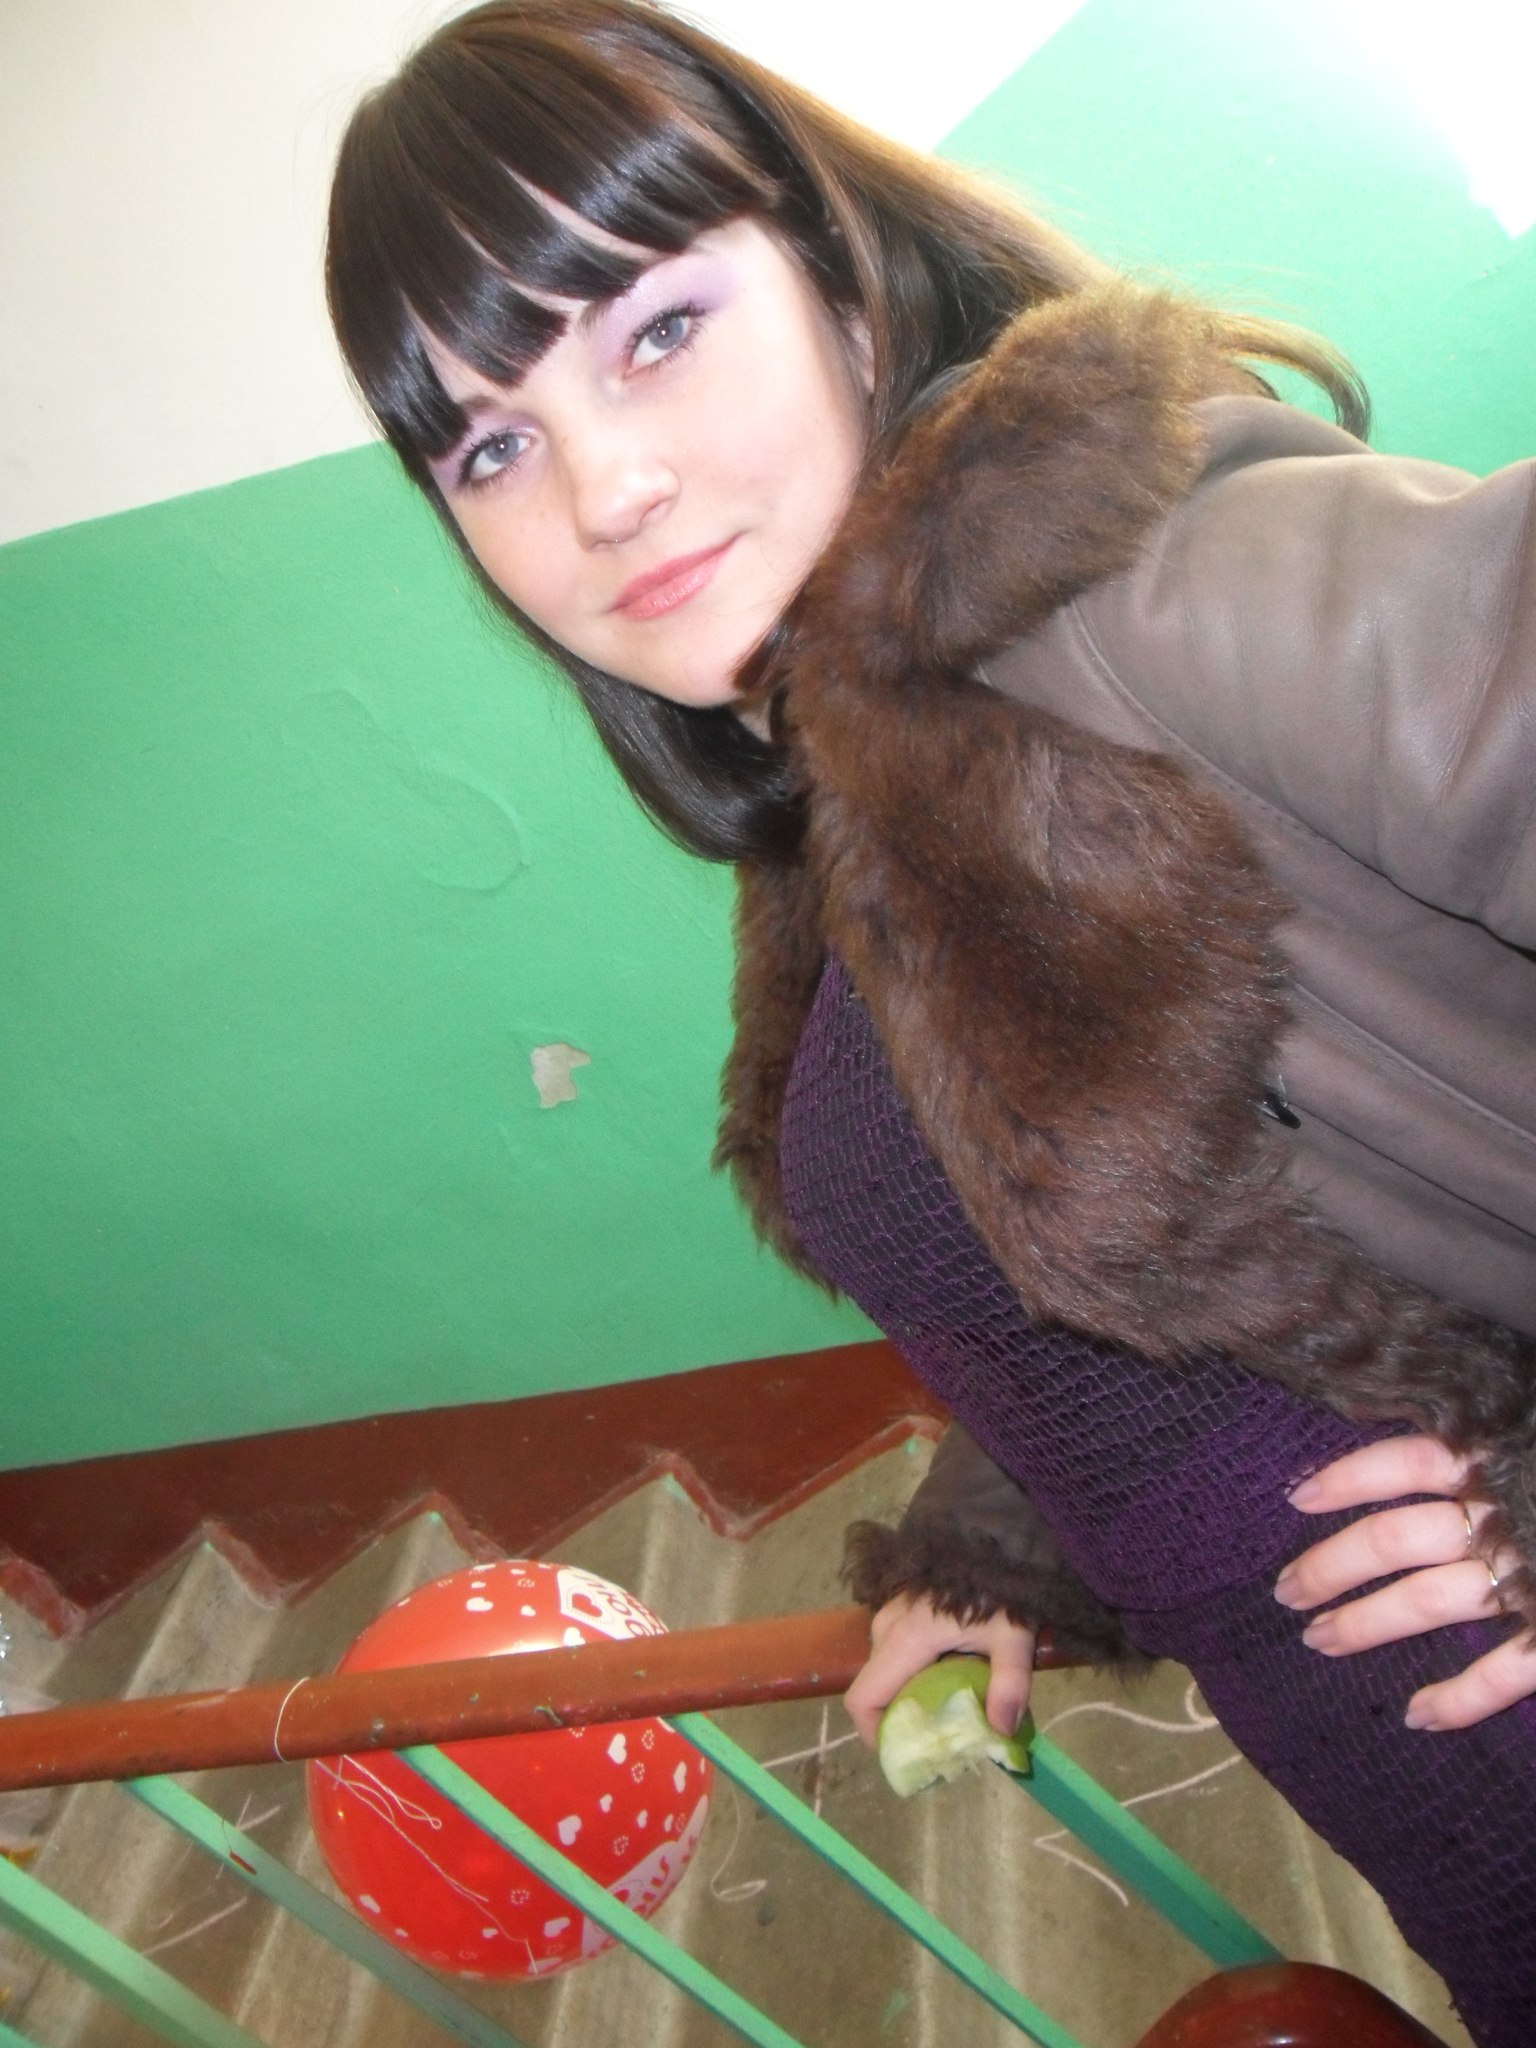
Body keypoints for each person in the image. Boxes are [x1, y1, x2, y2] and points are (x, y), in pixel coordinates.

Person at [324, 4, 1536, 2039]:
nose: (604, 489)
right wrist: (1002, 1541)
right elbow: (1146, 1241)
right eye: (491, 446)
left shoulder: (1174, 587)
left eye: (655, 328)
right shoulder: (852, 775)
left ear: (838, 274)